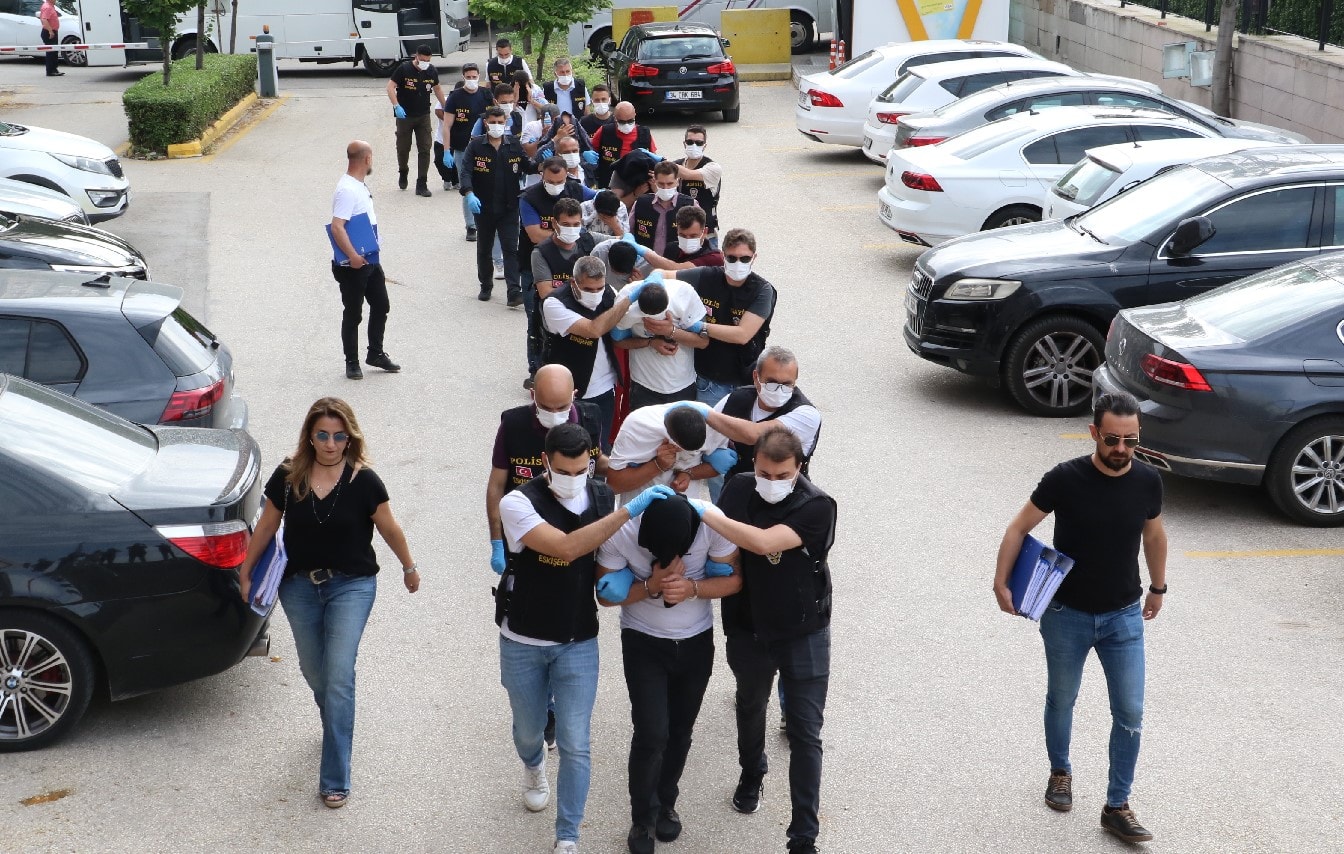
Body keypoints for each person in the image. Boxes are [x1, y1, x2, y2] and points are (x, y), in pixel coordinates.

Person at [993, 391, 1168, 844]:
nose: (1121, 449)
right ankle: (1060, 772)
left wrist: (1158, 586)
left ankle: (1117, 806)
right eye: (1112, 440)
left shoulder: (1148, 481)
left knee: (1130, 711)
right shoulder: (1065, 478)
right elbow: (1018, 528)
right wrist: (1001, 581)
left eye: (1131, 440)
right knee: (1062, 698)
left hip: (1123, 617)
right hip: (1065, 614)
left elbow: (1154, 535)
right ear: (1094, 433)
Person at [495, 422, 674, 854]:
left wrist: (634, 578)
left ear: (590, 463)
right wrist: (630, 509)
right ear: (544, 462)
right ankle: (533, 764)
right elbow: (567, 547)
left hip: (577, 639)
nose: (572, 479)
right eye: (562, 471)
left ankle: (568, 835)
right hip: (523, 638)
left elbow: (609, 556)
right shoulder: (517, 502)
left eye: (580, 470)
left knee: (576, 742)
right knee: (528, 731)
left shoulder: (599, 496)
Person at [238, 397, 419, 809]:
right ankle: (336, 716)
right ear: (310, 436)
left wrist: (409, 567)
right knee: (314, 671)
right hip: (298, 587)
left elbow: (390, 529)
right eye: (322, 435)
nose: (331, 444)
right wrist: (246, 571)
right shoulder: (289, 476)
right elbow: (266, 526)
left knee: (338, 676)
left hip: (351, 587)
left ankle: (335, 776)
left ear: (349, 437)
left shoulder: (365, 481)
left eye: (339, 436)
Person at [690, 427, 838, 854]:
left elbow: (762, 542)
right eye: (764, 473)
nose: (771, 482)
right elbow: (719, 548)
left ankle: (803, 836)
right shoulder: (739, 489)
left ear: (799, 468)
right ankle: (752, 771)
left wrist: (701, 507)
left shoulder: (817, 506)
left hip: (803, 630)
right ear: (753, 464)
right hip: (749, 625)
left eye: (782, 475)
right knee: (751, 703)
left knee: (806, 733)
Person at [595, 495, 741, 854]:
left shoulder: (712, 523)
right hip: (643, 641)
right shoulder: (623, 530)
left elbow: (736, 580)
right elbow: (605, 596)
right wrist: (650, 586)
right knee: (651, 733)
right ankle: (642, 818)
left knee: (680, 730)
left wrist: (693, 588)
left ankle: (666, 801)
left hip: (696, 641)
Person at [541, 257, 651, 451]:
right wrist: (628, 299)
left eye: (599, 288)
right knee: (566, 451)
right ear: (574, 283)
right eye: (588, 289)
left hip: (604, 390)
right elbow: (593, 329)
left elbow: (617, 338)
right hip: (569, 393)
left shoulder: (609, 293)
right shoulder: (554, 304)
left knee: (599, 450)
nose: (595, 294)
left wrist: (650, 341)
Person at [678, 228, 776, 406]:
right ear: (723, 256)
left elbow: (742, 335)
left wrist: (700, 327)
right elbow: (668, 276)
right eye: (732, 258)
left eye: (744, 259)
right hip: (709, 381)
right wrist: (652, 279)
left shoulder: (762, 290)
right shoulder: (707, 276)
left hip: (744, 383)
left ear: (754, 257)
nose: (738, 263)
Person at [328, 140, 399, 380]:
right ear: (367, 159)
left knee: (381, 305)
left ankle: (375, 353)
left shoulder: (358, 185)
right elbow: (337, 227)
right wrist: (352, 256)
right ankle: (352, 362)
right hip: (353, 265)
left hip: (370, 259)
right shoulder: (347, 190)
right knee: (353, 313)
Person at [521, 164, 598, 386]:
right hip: (551, 306)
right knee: (538, 330)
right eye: (566, 225)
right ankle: (537, 372)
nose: (572, 229)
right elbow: (546, 292)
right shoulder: (541, 251)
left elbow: (618, 242)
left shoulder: (587, 240)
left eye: (576, 225)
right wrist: (580, 291)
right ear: (555, 224)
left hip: (579, 306)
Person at [700, 346, 821, 482]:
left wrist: (704, 412)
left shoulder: (806, 415)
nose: (779, 390)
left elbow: (754, 435)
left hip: (786, 490)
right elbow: (701, 439)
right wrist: (691, 472)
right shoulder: (735, 400)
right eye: (771, 382)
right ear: (756, 377)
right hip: (739, 486)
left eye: (787, 384)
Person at [461, 105, 534, 305]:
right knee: (484, 249)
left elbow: (528, 167)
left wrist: (544, 160)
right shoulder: (476, 146)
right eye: (492, 122)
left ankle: (514, 291)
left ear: (506, 123)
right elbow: (466, 171)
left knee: (510, 249)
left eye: (500, 122)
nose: (496, 126)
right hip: (483, 208)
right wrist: (469, 193)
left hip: (509, 207)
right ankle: (486, 285)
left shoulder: (514, 145)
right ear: (485, 123)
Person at [610, 265, 710, 411]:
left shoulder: (683, 293)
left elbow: (703, 342)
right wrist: (650, 342)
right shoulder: (626, 298)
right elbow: (617, 341)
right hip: (643, 386)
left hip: (682, 385)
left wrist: (671, 331)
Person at [607, 403, 734, 504]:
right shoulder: (638, 427)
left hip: (685, 508)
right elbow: (614, 485)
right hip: (640, 510)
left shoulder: (712, 423)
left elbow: (721, 464)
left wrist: (689, 473)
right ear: (669, 437)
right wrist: (658, 465)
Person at [386, 44, 446, 198]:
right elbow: (390, 87)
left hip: (423, 115)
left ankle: (422, 183)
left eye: (428, 60)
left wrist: (446, 107)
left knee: (425, 148)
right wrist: (396, 106)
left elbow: (437, 89)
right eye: (422, 60)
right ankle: (403, 171)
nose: (425, 63)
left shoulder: (431, 71)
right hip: (405, 116)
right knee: (403, 148)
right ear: (416, 57)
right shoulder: (404, 69)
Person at [441, 63, 491, 198]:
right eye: (468, 77)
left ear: (479, 76)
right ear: (463, 77)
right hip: (462, 148)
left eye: (474, 77)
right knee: (467, 187)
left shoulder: (486, 94)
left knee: (485, 185)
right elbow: (447, 125)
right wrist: (446, 150)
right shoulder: (454, 97)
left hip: (484, 147)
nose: (471, 80)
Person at [630, 161, 698, 257]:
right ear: (655, 181)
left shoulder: (691, 205)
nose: (665, 188)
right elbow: (629, 233)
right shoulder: (641, 203)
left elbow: (698, 237)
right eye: (661, 184)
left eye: (670, 184)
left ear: (677, 181)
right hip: (644, 261)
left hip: (677, 262)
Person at [673, 126, 724, 249]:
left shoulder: (712, 168)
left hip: (706, 235)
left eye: (699, 143)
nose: (694, 145)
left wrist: (665, 165)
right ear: (684, 144)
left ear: (704, 146)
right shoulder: (676, 164)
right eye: (690, 142)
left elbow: (688, 174)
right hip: (680, 233)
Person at [591, 102, 656, 189]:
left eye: (630, 121)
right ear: (615, 118)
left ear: (635, 115)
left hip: (638, 185)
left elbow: (654, 158)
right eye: (622, 122)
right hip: (609, 183)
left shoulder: (644, 134)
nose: (626, 124)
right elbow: (591, 150)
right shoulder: (604, 131)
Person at [39, 0, 62, 77]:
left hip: (51, 31)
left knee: (54, 52)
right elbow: (44, 19)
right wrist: (50, 31)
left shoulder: (50, 6)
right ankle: (50, 71)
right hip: (49, 32)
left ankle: (54, 69)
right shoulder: (47, 7)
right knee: (51, 52)